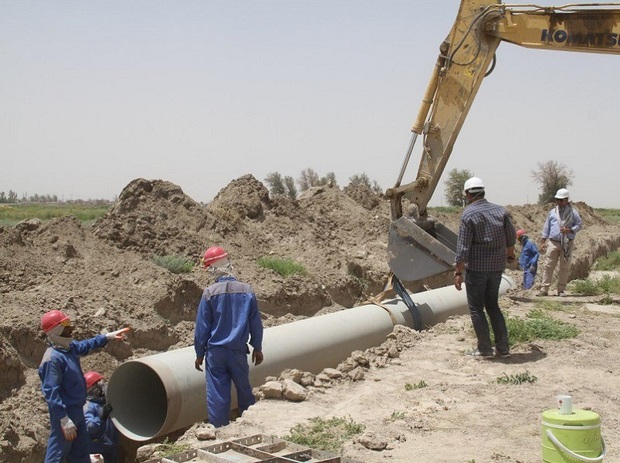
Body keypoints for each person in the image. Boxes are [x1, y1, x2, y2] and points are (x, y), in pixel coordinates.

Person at [38, 309, 129, 463]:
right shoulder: (52, 359)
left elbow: (86, 345)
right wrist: (64, 420)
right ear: (56, 330)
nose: (70, 328)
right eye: (65, 324)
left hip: (78, 411)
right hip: (66, 414)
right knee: (56, 456)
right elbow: (51, 392)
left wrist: (106, 337)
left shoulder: (68, 349)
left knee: (81, 456)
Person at [194, 246, 264, 428]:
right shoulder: (247, 290)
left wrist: (199, 353)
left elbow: (202, 327)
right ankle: (250, 426)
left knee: (217, 393)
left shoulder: (209, 293)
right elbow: (255, 322)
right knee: (244, 389)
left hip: (215, 353)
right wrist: (257, 347)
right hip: (238, 351)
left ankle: (218, 430)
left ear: (212, 268)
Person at [454, 177, 516, 359]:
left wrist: (458, 272)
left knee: (476, 308)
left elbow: (463, 248)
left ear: (467, 194)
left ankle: (485, 349)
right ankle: (503, 348)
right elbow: (511, 235)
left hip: (477, 270)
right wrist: (510, 252)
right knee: (493, 305)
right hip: (497, 268)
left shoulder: (469, 215)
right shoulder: (500, 211)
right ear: (483, 192)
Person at [538, 188, 583, 297]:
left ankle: (561, 290)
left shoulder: (573, 213)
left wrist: (569, 230)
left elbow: (579, 225)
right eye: (557, 200)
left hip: (567, 243)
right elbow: (547, 227)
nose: (559, 202)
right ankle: (544, 289)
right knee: (548, 266)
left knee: (564, 267)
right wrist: (543, 241)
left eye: (561, 200)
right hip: (553, 242)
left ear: (567, 200)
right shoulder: (553, 212)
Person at [83, 371, 119, 463]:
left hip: (111, 447)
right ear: (95, 388)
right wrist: (101, 418)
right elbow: (89, 427)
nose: (104, 386)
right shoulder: (88, 406)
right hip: (96, 449)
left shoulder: (105, 403)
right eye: (101, 384)